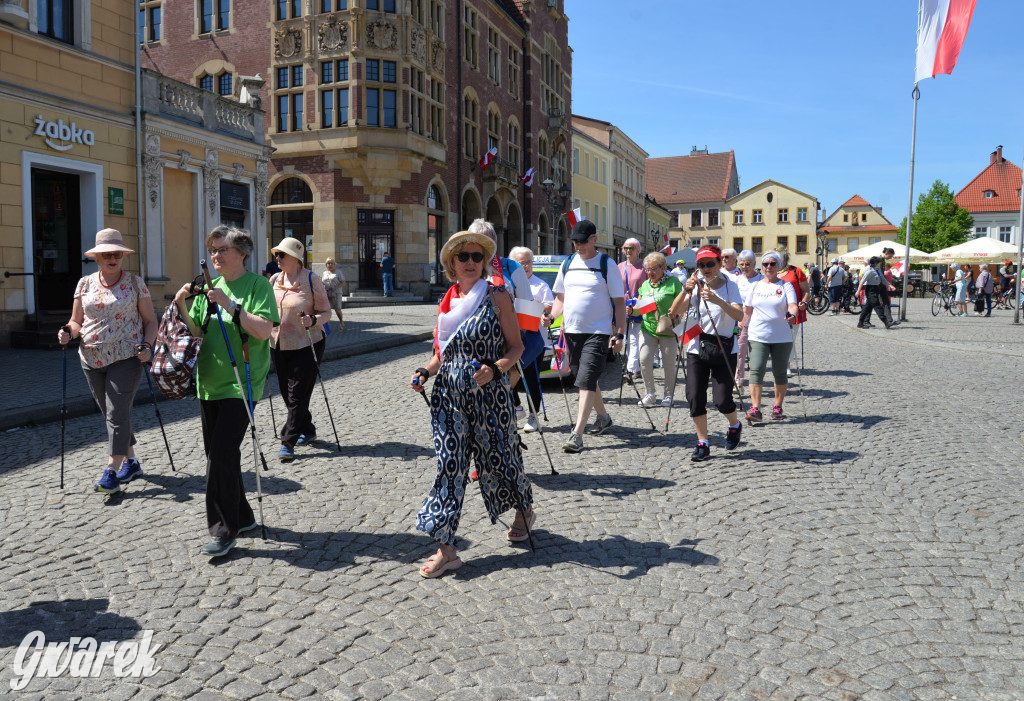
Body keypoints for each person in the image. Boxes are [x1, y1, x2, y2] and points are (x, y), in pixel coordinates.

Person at [409, 229, 531, 578]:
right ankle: (447, 549)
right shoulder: (446, 303)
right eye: (464, 257)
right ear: (452, 263)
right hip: (449, 397)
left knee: (501, 459)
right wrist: (424, 373)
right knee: (450, 466)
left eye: (478, 257)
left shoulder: (497, 297)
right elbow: (440, 354)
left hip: (490, 398)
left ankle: (524, 511)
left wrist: (495, 369)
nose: (471, 263)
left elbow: (516, 347)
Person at [173, 226, 278, 557]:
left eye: (222, 250)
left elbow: (264, 330)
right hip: (208, 382)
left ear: (242, 253)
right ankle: (243, 517)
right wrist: (181, 303)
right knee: (221, 456)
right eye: (212, 250)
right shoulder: (210, 286)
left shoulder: (257, 285)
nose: (215, 256)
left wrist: (231, 306)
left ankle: (222, 530)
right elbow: (197, 331)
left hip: (241, 384)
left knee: (219, 456)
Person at [57, 228, 158, 494]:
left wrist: (148, 345)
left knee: (116, 413)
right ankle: (132, 462)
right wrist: (68, 332)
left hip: (126, 357)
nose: (112, 258)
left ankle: (111, 471)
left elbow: (150, 321)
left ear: (122, 256)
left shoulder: (136, 284)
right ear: (97, 258)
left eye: (117, 254)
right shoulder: (84, 284)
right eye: (106, 254)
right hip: (90, 358)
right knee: (114, 414)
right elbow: (77, 321)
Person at [543, 219, 626, 454]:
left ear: (594, 240)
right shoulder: (568, 263)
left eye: (582, 241)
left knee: (586, 379)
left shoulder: (606, 264)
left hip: (598, 332)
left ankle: (577, 434)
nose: (578, 245)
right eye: (574, 242)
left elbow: (619, 303)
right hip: (572, 331)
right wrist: (550, 315)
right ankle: (603, 417)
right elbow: (561, 298)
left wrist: (619, 334)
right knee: (583, 377)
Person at [668, 245, 744, 460]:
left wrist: (718, 300)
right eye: (701, 265)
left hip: (724, 347)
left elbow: (739, 316)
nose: (706, 268)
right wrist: (685, 290)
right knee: (694, 396)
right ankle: (703, 443)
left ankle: (734, 424)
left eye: (710, 264)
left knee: (722, 401)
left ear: (720, 263)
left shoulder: (731, 286)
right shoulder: (695, 284)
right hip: (696, 347)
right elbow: (675, 313)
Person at [467, 219, 536, 433]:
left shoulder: (511, 267)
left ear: (494, 243)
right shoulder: (467, 266)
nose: (479, 248)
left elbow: (528, 306)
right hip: (477, 344)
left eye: (484, 242)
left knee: (500, 396)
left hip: (507, 344)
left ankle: (506, 445)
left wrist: (518, 341)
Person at [269, 238, 332, 462]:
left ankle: (288, 441)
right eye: (276, 254)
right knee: (288, 394)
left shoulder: (311, 279)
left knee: (297, 393)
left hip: (308, 343)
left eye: (281, 255)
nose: (277, 258)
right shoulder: (274, 279)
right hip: (278, 344)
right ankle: (308, 429)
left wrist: (313, 320)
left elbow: (327, 312)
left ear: (295, 258)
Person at [741, 251, 798, 422]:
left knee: (779, 372)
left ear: (778, 266)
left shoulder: (785, 285)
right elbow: (747, 311)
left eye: (773, 264)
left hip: (781, 336)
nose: (769, 267)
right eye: (765, 264)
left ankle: (778, 406)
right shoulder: (755, 286)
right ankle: (756, 409)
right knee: (756, 370)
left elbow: (793, 305)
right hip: (758, 334)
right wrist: (740, 324)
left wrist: (792, 315)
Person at [509, 245, 553, 433]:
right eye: (522, 263)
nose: (526, 266)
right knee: (507, 375)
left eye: (529, 262)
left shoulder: (540, 285)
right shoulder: (508, 283)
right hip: (511, 338)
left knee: (531, 378)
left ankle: (534, 416)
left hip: (534, 341)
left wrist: (544, 313)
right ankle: (517, 408)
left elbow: (549, 306)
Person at [635, 252, 682, 407]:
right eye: (647, 270)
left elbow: (683, 301)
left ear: (663, 267)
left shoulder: (673, 282)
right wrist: (631, 309)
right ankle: (650, 393)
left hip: (668, 329)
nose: (650, 273)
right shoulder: (645, 285)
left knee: (668, 363)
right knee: (644, 359)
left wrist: (676, 311)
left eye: (653, 269)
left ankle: (668, 395)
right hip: (648, 328)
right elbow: (639, 307)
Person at [732, 249, 763, 390]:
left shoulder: (762, 280)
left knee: (757, 354)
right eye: (742, 264)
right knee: (740, 352)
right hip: (742, 322)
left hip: (758, 321)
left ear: (754, 264)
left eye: (748, 264)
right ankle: (738, 381)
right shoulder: (737, 281)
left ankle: (756, 382)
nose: (744, 267)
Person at [618, 238, 647, 382]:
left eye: (631, 248)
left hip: (640, 304)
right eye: (626, 248)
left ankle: (630, 369)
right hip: (623, 306)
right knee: (629, 337)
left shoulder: (644, 266)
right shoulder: (620, 266)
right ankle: (635, 368)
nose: (628, 251)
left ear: (637, 250)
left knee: (635, 337)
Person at [776, 248, 809, 377]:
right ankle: (778, 363)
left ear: (784, 259)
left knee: (789, 339)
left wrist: (804, 302)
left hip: (793, 311)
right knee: (776, 339)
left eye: (779, 258)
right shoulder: (771, 272)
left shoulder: (796, 271)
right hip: (775, 312)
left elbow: (806, 290)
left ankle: (787, 365)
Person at [854, 257, 891, 329]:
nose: (880, 264)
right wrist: (858, 291)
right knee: (877, 306)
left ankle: (860, 323)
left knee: (867, 308)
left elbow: (883, 280)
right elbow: (862, 281)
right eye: (879, 262)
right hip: (870, 290)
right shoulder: (869, 271)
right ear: (876, 263)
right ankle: (886, 322)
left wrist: (890, 286)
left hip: (876, 289)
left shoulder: (878, 270)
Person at [321, 257, 346, 330]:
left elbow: (343, 282)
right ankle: (326, 325)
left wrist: (335, 287)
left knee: (337, 309)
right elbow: (323, 282)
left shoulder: (338, 272)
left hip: (337, 293)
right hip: (327, 293)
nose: (330, 265)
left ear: (334, 264)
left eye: (331, 263)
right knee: (327, 309)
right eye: (328, 263)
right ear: (326, 265)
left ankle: (341, 321)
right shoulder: (324, 273)